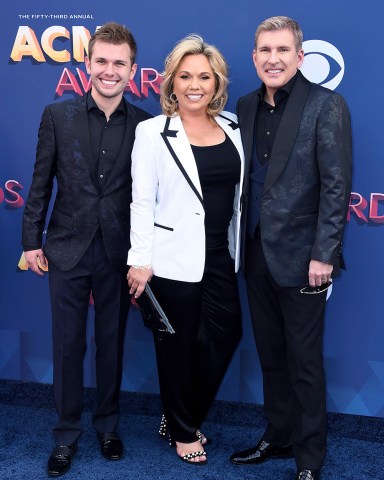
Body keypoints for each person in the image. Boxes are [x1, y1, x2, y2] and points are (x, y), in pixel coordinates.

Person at [22, 22, 151, 477]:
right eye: (102, 61)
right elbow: (40, 182)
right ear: (87, 64)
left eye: (119, 63)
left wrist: (145, 253)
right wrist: (30, 241)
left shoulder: (146, 126)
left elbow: (149, 195)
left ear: (133, 69)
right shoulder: (58, 116)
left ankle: (108, 427)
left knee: (112, 344)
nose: (110, 70)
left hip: (120, 253)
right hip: (66, 248)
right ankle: (65, 433)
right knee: (68, 345)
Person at [229, 16, 352, 480]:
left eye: (283, 50)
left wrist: (325, 253)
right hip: (255, 252)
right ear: (254, 57)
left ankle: (309, 459)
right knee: (271, 356)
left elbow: (337, 185)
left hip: (305, 258)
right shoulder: (243, 106)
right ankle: (277, 437)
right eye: (265, 50)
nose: (273, 58)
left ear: (300, 57)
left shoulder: (326, 105)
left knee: (304, 362)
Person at [127, 34, 244, 464]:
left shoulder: (233, 126)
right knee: (176, 347)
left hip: (220, 255)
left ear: (216, 83)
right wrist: (139, 261)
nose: (195, 84)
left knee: (226, 334)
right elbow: (141, 200)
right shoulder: (152, 132)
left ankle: (182, 416)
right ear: (171, 82)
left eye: (205, 76)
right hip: (171, 257)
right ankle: (182, 431)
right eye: (186, 76)